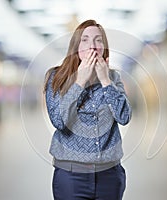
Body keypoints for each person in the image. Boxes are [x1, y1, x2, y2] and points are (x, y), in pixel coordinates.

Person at [43, 19, 132, 200]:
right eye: (85, 40)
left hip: (110, 175)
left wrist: (105, 81)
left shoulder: (113, 77)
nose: (92, 45)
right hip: (70, 177)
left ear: (104, 47)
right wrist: (80, 82)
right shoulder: (56, 77)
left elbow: (124, 117)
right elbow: (58, 121)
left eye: (98, 40)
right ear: (76, 46)